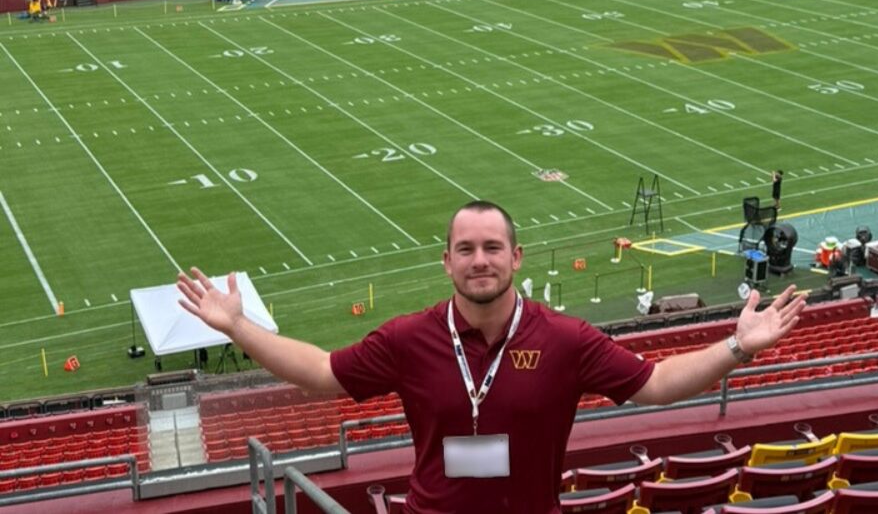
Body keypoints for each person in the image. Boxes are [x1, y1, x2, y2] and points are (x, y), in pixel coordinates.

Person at [177, 200, 805, 514]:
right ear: (447, 261)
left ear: (516, 258)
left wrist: (735, 347)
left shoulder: (565, 338)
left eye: (493, 248)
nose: (481, 260)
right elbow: (320, 373)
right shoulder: (408, 338)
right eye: (467, 249)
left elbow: (657, 384)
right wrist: (240, 328)